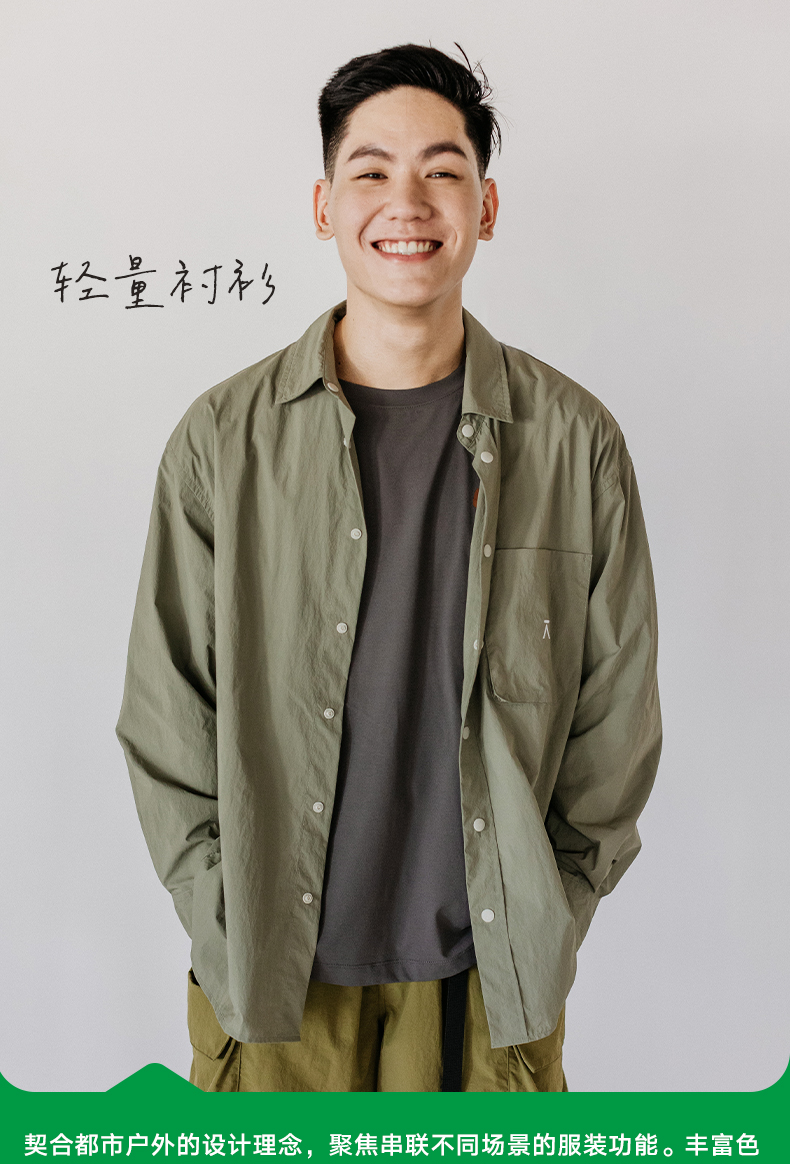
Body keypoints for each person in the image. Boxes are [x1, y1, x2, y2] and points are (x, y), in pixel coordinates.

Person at [116, 43, 662, 1093]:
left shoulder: (574, 443)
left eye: (441, 171)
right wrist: (224, 910)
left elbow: (617, 719)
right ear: (324, 206)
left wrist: (553, 904)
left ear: (484, 207)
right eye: (370, 171)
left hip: (487, 986)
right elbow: (165, 717)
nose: (406, 203)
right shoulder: (222, 442)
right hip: (272, 982)